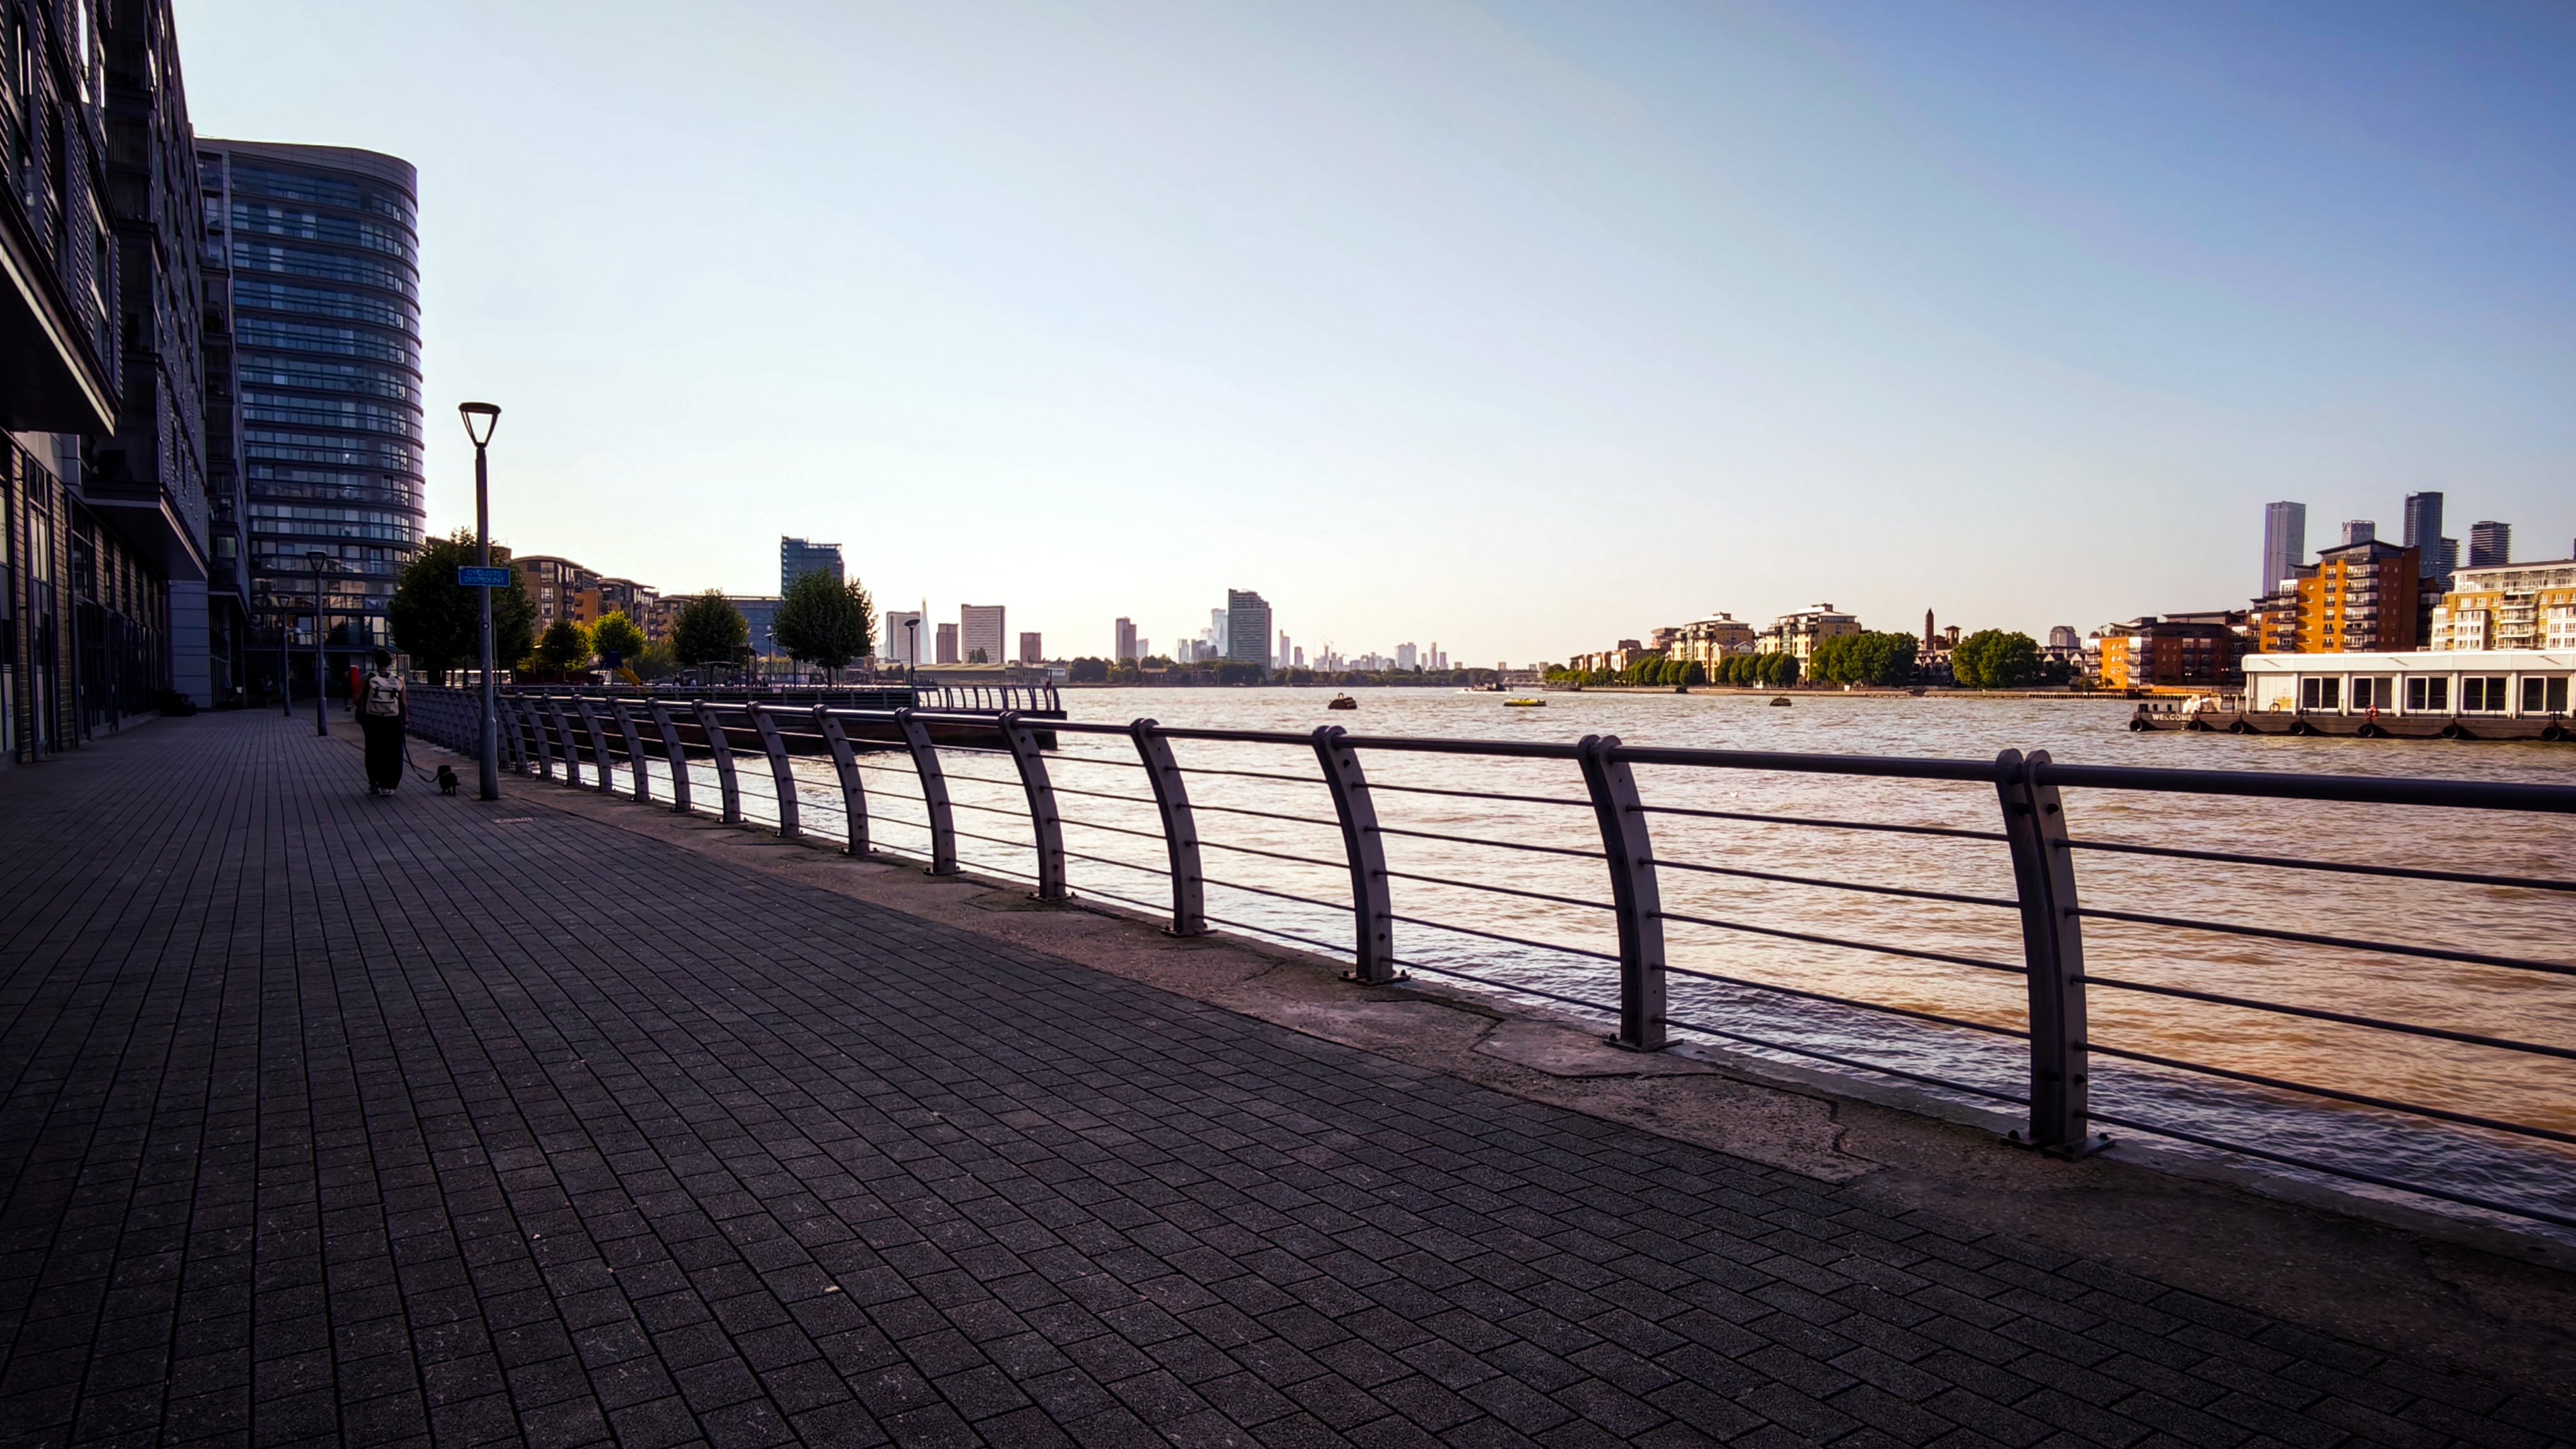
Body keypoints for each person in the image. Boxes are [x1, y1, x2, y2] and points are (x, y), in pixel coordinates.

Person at [357, 650, 407, 794]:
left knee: (373, 750)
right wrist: (406, 718)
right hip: (393, 720)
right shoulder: (398, 680)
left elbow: (356, 699)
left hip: (373, 719)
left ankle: (375, 782)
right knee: (394, 751)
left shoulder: (368, 679)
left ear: (376, 662)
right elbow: (403, 703)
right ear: (391, 663)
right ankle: (389, 785)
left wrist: (362, 709)